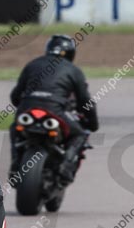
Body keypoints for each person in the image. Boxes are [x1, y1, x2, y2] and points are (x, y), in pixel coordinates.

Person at [8, 34, 98, 185]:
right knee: (80, 134)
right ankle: (65, 167)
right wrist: (93, 123)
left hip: (28, 108)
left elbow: (15, 95)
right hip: (55, 110)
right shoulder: (74, 70)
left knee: (14, 129)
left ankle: (16, 164)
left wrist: (23, 105)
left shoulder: (32, 64)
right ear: (71, 53)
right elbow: (85, 100)